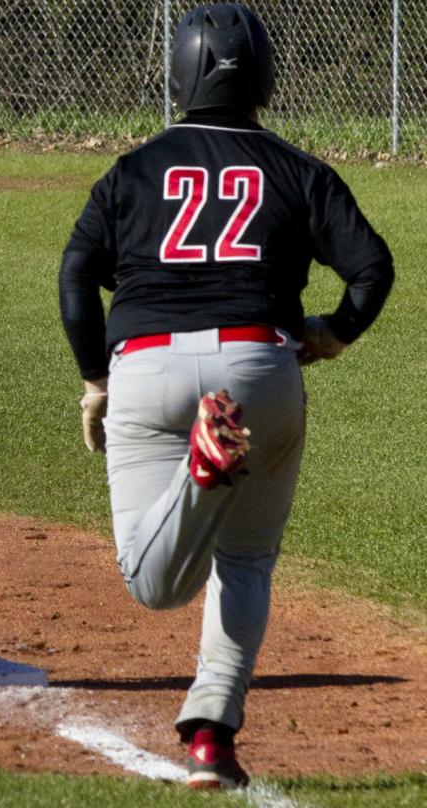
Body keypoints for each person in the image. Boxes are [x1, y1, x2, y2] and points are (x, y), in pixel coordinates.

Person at [58, 3, 393, 790]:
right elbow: (372, 267)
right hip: (261, 367)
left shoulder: (132, 169)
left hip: (147, 367)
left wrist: (94, 377)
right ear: (265, 80)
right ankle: (211, 733)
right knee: (245, 559)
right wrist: (335, 333)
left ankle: (201, 471)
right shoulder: (298, 168)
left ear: (178, 75)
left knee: (154, 583)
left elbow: (77, 276)